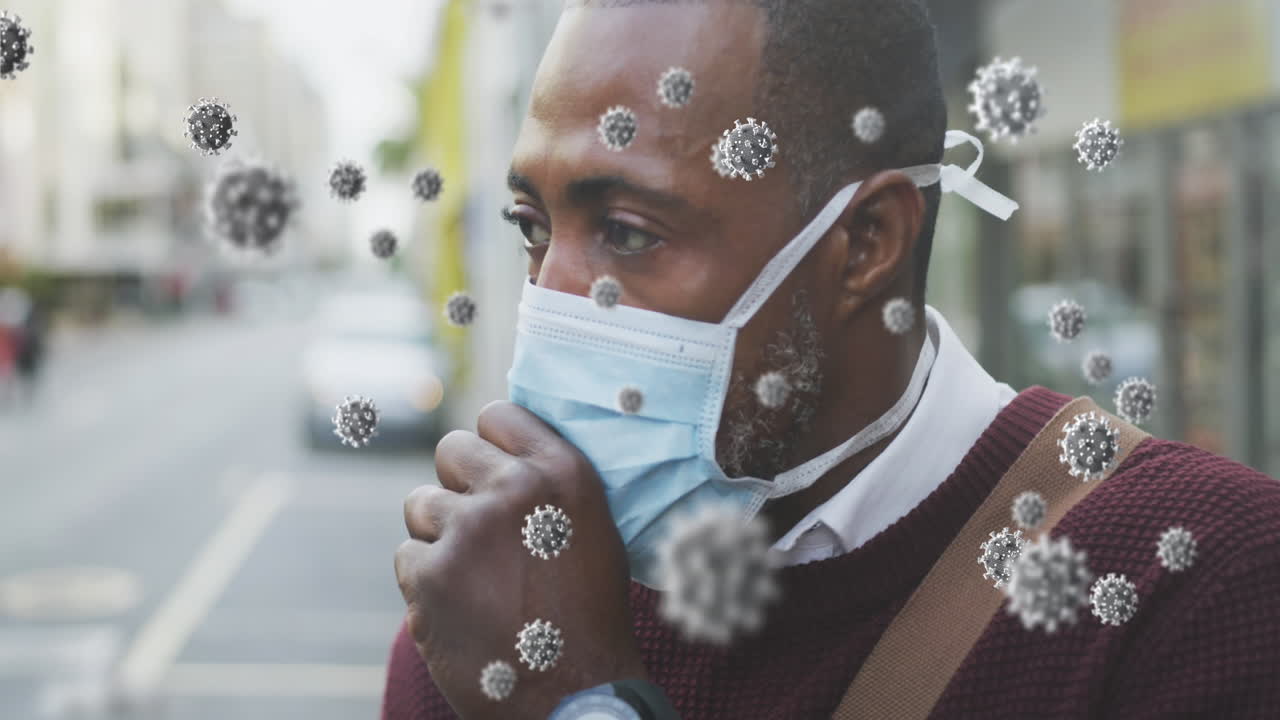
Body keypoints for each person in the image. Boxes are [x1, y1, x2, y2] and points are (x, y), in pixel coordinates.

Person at [382, 1, 1280, 718]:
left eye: (627, 232)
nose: (553, 299)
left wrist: (584, 703)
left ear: (865, 245)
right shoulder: (493, 602)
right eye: (533, 229)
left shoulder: (1201, 587)